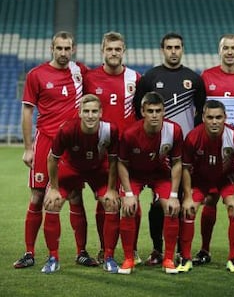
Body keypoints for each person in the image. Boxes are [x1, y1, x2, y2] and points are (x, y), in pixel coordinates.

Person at [14, 31, 96, 269]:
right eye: (59, 48)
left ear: (73, 49)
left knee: (74, 196)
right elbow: (27, 112)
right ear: (52, 48)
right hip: (46, 141)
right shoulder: (36, 75)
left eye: (67, 48)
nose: (63, 53)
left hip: (72, 145)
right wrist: (28, 148)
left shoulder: (80, 71)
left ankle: (81, 252)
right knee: (38, 196)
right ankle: (29, 253)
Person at [132, 32, 206, 266]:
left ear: (182, 49)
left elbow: (201, 115)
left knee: (184, 201)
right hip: (157, 153)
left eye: (177, 47)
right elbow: (138, 111)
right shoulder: (150, 78)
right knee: (158, 204)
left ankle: (181, 252)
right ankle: (157, 249)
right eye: (169, 47)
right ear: (162, 49)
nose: (173, 51)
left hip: (184, 152)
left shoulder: (194, 79)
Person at [192, 33, 234, 265]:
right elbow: (199, 112)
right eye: (225, 48)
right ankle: (204, 249)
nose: (230, 52)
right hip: (212, 152)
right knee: (210, 200)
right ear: (219, 51)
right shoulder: (206, 76)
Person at [41, 94, 119, 273]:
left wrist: (112, 189)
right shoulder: (67, 129)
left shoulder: (110, 130)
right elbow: (52, 159)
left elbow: (114, 160)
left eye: (94, 111)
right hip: (71, 169)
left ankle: (109, 257)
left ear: (101, 113)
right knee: (52, 203)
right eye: (86, 111)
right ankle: (53, 257)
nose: (90, 115)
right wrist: (53, 189)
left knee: (112, 203)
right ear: (79, 112)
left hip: (98, 169)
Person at [83, 31, 142, 265]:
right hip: (102, 153)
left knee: (131, 203)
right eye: (110, 49)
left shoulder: (135, 78)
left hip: (127, 154)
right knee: (104, 203)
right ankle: (103, 248)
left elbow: (142, 113)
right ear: (103, 51)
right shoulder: (90, 78)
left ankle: (133, 249)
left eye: (118, 49)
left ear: (123, 51)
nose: (114, 53)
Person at [178, 100, 234, 273]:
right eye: (210, 117)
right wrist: (187, 197)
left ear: (225, 117)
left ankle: (233, 259)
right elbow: (185, 169)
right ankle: (187, 258)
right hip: (200, 180)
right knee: (189, 209)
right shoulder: (193, 137)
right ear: (203, 117)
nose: (214, 121)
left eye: (218, 117)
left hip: (225, 179)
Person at [117, 92, 183, 274]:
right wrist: (129, 194)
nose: (154, 115)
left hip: (160, 175)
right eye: (150, 111)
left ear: (164, 112)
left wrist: (174, 195)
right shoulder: (130, 134)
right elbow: (121, 164)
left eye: (158, 111)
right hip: (134, 175)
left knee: (171, 208)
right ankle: (129, 258)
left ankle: (168, 259)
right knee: (129, 208)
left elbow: (177, 163)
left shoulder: (174, 130)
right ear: (142, 112)